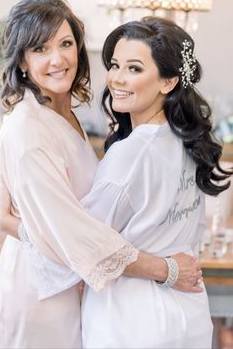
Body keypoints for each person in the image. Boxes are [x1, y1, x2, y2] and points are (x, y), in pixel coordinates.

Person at [0, 0, 202, 349]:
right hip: (43, 291)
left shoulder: (65, 112)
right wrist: (166, 270)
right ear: (23, 62)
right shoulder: (28, 128)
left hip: (83, 283)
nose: (58, 59)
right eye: (40, 49)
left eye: (65, 43)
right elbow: (69, 232)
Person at [77, 17, 232, 348]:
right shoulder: (189, 141)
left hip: (131, 321)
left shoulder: (130, 154)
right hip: (189, 316)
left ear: (168, 81)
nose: (117, 78)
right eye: (115, 65)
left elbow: (86, 244)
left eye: (134, 69)